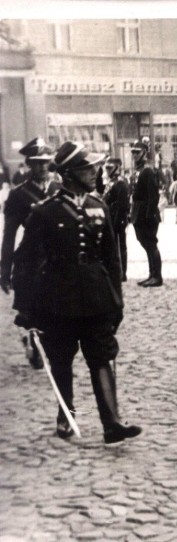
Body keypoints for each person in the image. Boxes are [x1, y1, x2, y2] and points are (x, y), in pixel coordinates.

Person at [12, 141, 142, 443]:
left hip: (97, 298)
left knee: (102, 356)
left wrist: (116, 300)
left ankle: (112, 422)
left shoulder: (100, 206)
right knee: (61, 359)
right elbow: (26, 260)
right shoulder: (45, 212)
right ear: (70, 174)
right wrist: (26, 307)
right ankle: (65, 415)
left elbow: (111, 258)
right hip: (59, 300)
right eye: (87, 169)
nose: (94, 172)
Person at [1, 137, 59, 369]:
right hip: (32, 258)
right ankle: (33, 341)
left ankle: (48, 342)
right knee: (32, 307)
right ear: (29, 164)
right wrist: (4, 270)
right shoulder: (19, 195)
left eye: (45, 162)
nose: (42, 167)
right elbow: (8, 236)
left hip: (57, 256)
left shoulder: (59, 188)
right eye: (36, 162)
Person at [129, 137, 163, 287]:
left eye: (137, 152)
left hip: (146, 215)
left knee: (151, 245)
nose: (135, 155)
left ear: (144, 153)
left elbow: (153, 195)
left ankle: (157, 276)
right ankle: (152, 275)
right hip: (138, 213)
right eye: (133, 153)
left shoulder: (148, 170)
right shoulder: (138, 171)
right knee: (146, 245)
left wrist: (149, 215)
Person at [102, 158, 130, 282]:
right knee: (113, 246)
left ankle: (122, 273)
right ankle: (116, 271)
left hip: (118, 219)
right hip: (111, 217)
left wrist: (117, 221)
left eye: (110, 168)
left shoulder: (120, 182)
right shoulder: (111, 182)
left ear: (117, 167)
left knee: (120, 246)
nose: (107, 170)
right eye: (106, 168)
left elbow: (122, 204)